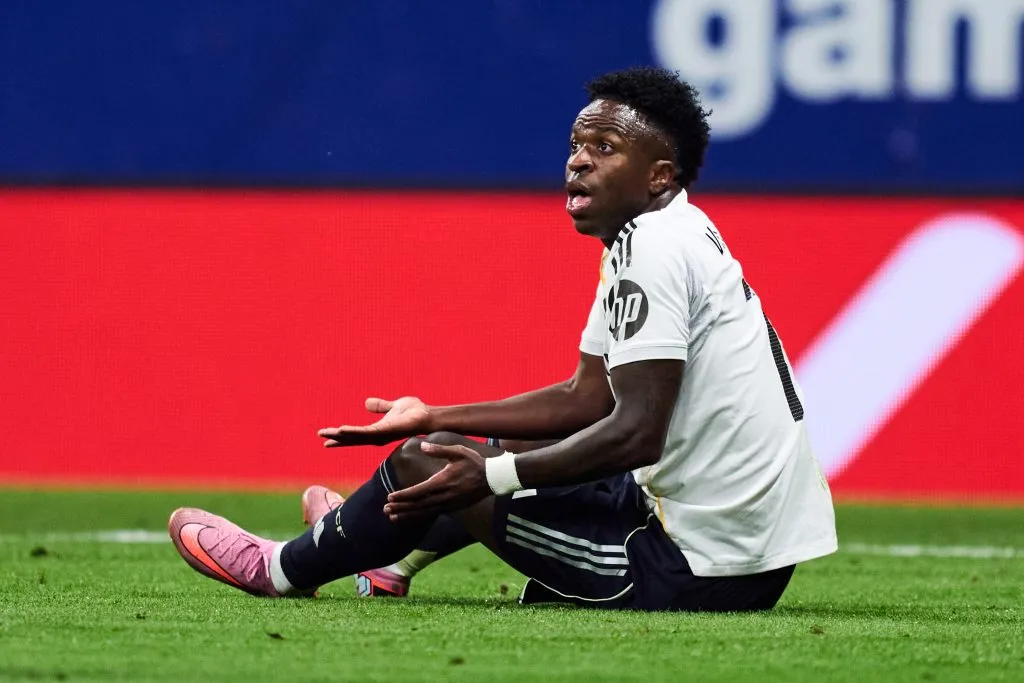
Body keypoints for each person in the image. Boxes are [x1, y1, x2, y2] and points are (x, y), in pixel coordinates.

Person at [168, 66, 837, 611]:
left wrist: (485, 471)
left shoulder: (653, 249)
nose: (579, 160)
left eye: (605, 149)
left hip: (698, 568)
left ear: (660, 175)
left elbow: (636, 432)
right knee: (461, 445)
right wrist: (436, 414)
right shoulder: (668, 232)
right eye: (578, 144)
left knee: (426, 465)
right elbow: (586, 396)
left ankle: (281, 568)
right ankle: (388, 554)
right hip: (738, 546)